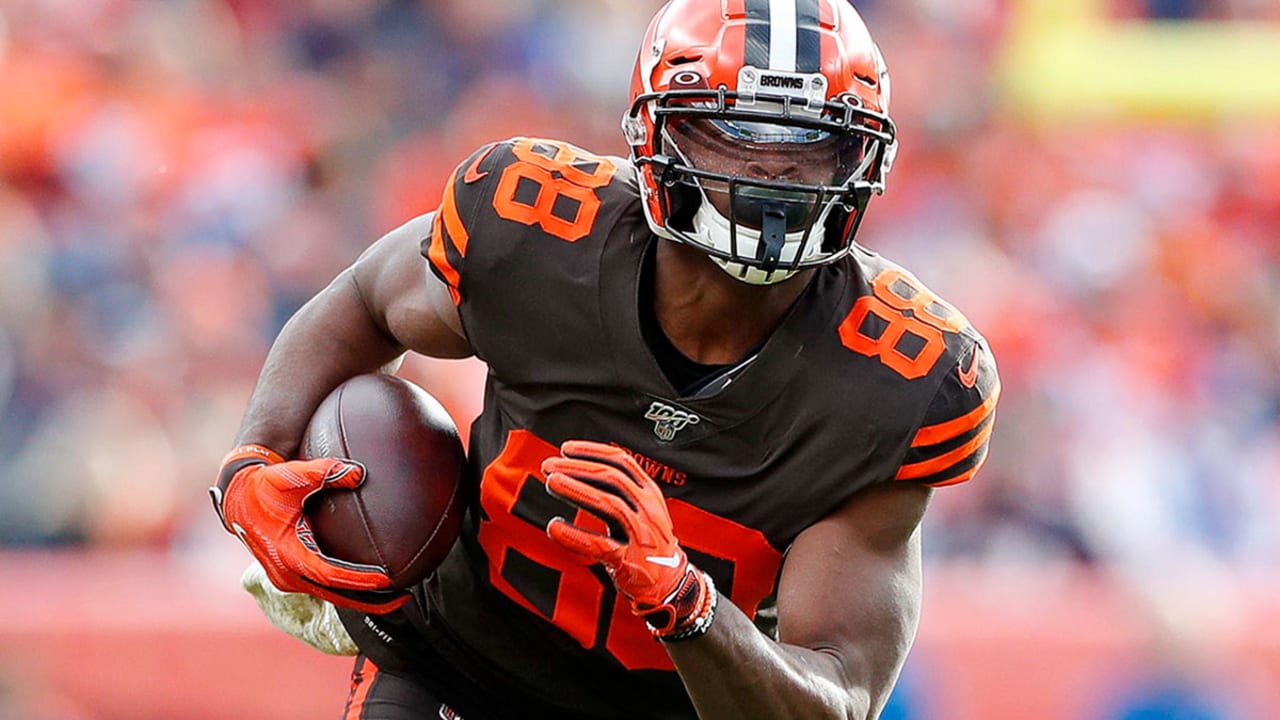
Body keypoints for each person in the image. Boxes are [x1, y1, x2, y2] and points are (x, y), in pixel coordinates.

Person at [210, 1, 1001, 718]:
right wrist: (255, 458)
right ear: (655, 130)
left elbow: (836, 697)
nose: (771, 172)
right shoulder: (532, 224)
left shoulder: (906, 375)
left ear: (862, 160)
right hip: (455, 667)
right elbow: (364, 299)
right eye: (730, 130)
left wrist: (687, 604)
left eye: (813, 143)